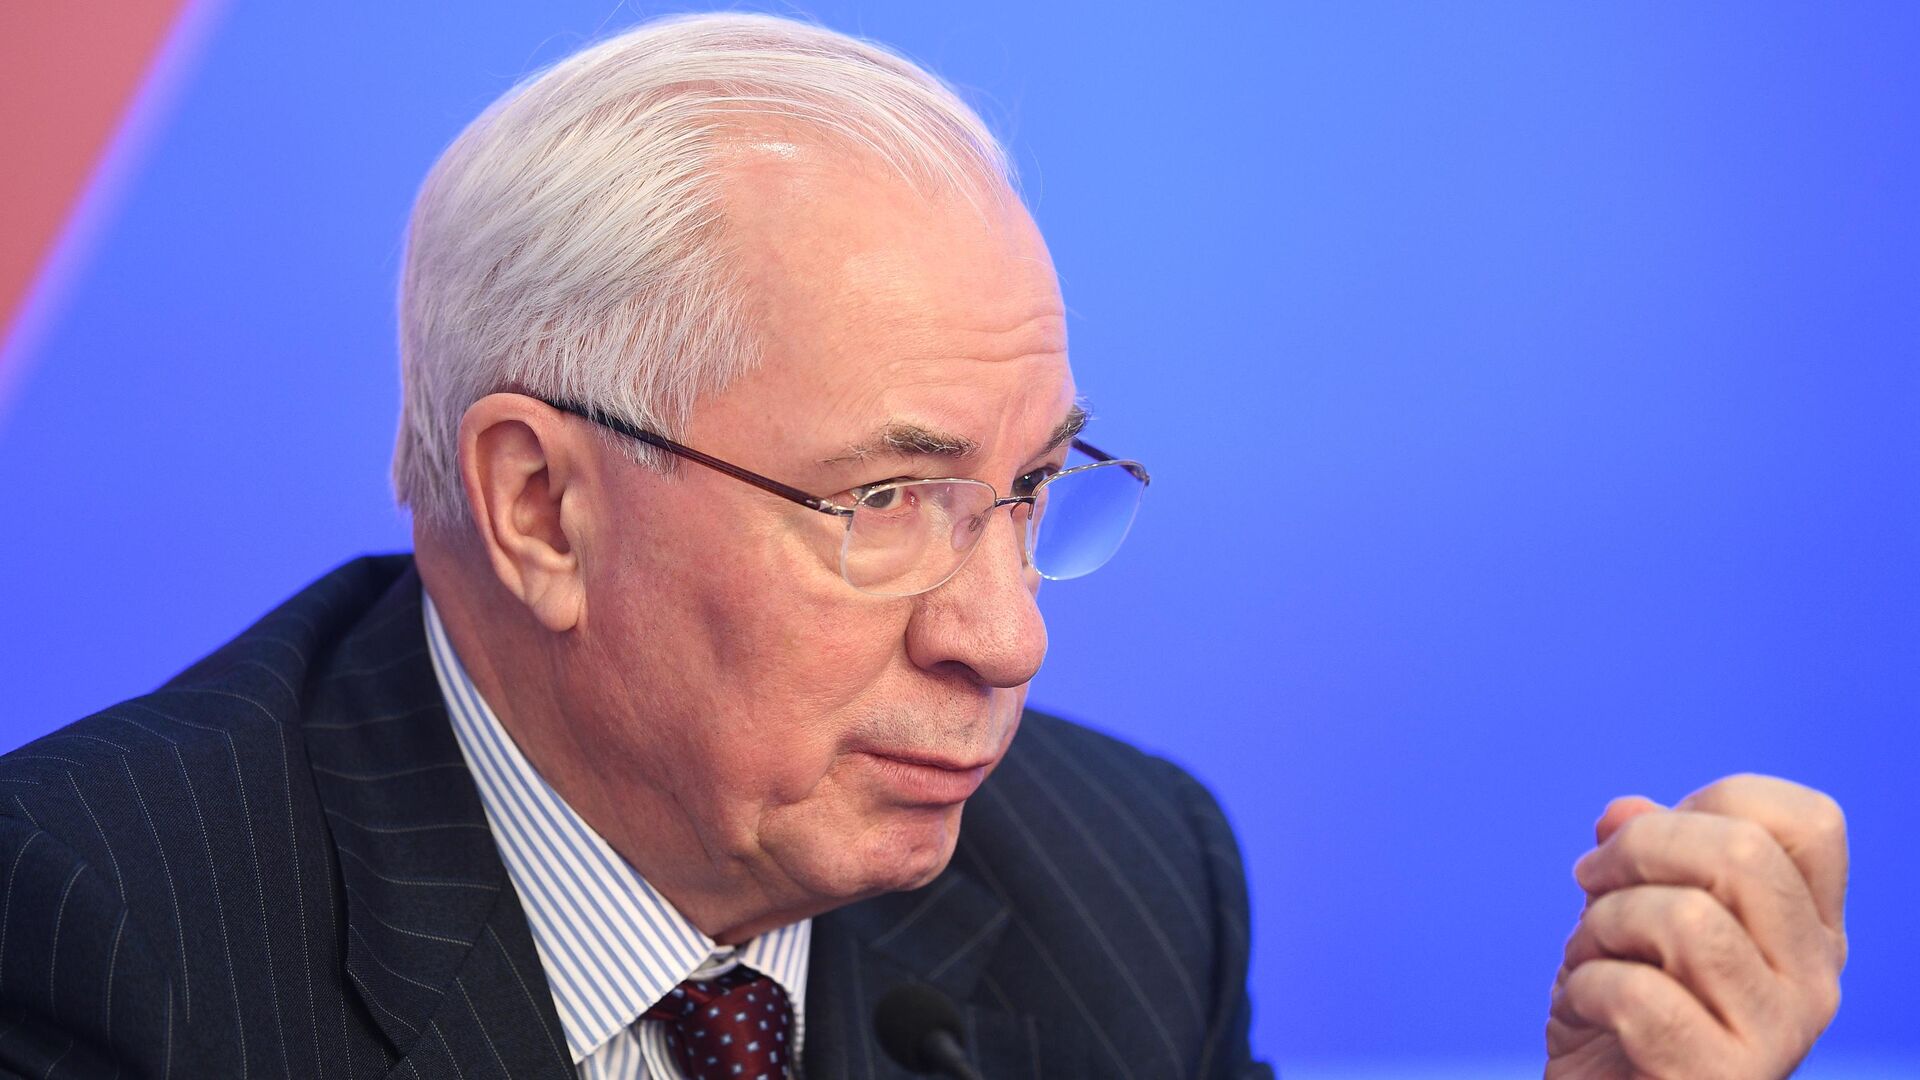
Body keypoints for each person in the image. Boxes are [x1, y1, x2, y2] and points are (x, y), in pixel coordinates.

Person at [0, 13, 1845, 1080]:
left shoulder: (1124, 886)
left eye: (1031, 488)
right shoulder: (94, 937)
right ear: (540, 505)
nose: (1006, 637)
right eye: (882, 500)